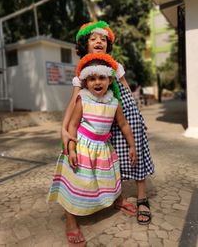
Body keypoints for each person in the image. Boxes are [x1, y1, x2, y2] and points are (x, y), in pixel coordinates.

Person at [62, 20, 154, 225]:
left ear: (108, 44)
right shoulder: (81, 72)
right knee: (109, 159)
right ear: (84, 44)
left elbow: (126, 89)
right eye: (93, 38)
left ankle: (142, 197)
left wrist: (136, 115)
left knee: (134, 149)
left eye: (103, 39)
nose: (98, 42)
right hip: (98, 116)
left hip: (121, 109)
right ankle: (115, 196)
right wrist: (64, 128)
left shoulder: (116, 65)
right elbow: (74, 101)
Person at [47, 53, 138, 246]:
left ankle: (113, 200)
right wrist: (71, 150)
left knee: (105, 180)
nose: (97, 82)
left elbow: (123, 125)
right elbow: (72, 126)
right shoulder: (83, 99)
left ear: (110, 79)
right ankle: (71, 220)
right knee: (77, 182)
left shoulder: (114, 102)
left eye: (102, 78)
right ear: (86, 82)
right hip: (82, 148)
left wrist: (132, 145)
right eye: (92, 78)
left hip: (103, 150)